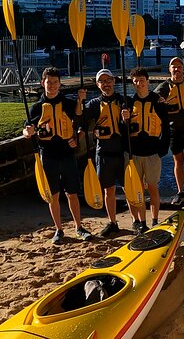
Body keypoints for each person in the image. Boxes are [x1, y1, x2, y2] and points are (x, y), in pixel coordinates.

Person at [23, 67, 92, 244]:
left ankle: (79, 227)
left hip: (67, 154)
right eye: (49, 82)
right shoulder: (36, 108)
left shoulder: (69, 104)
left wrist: (76, 138)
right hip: (47, 155)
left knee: (72, 193)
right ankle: (59, 230)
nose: (52, 86)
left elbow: (80, 123)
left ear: (60, 84)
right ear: (42, 83)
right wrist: (28, 131)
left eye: (55, 82)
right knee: (53, 195)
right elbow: (26, 129)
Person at [77, 68, 128, 237]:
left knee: (128, 188)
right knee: (108, 190)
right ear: (98, 85)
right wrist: (80, 101)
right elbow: (80, 120)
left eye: (108, 80)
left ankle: (138, 221)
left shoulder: (124, 101)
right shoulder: (93, 104)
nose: (105, 84)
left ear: (114, 81)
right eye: (102, 81)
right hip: (104, 153)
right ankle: (113, 222)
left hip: (122, 153)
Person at [121, 67, 170, 233]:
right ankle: (142, 222)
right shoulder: (128, 103)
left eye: (142, 81)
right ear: (132, 83)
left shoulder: (158, 102)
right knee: (138, 190)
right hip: (134, 153)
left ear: (147, 82)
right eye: (135, 81)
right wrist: (124, 121)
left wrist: (163, 149)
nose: (139, 84)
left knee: (153, 186)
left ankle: (155, 220)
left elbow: (166, 128)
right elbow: (123, 131)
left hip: (152, 152)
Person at [154, 57, 184, 206]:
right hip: (173, 130)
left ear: (183, 68)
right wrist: (159, 102)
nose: (176, 69)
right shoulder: (164, 86)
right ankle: (180, 192)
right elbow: (153, 98)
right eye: (173, 67)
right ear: (169, 70)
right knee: (178, 162)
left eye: (179, 66)